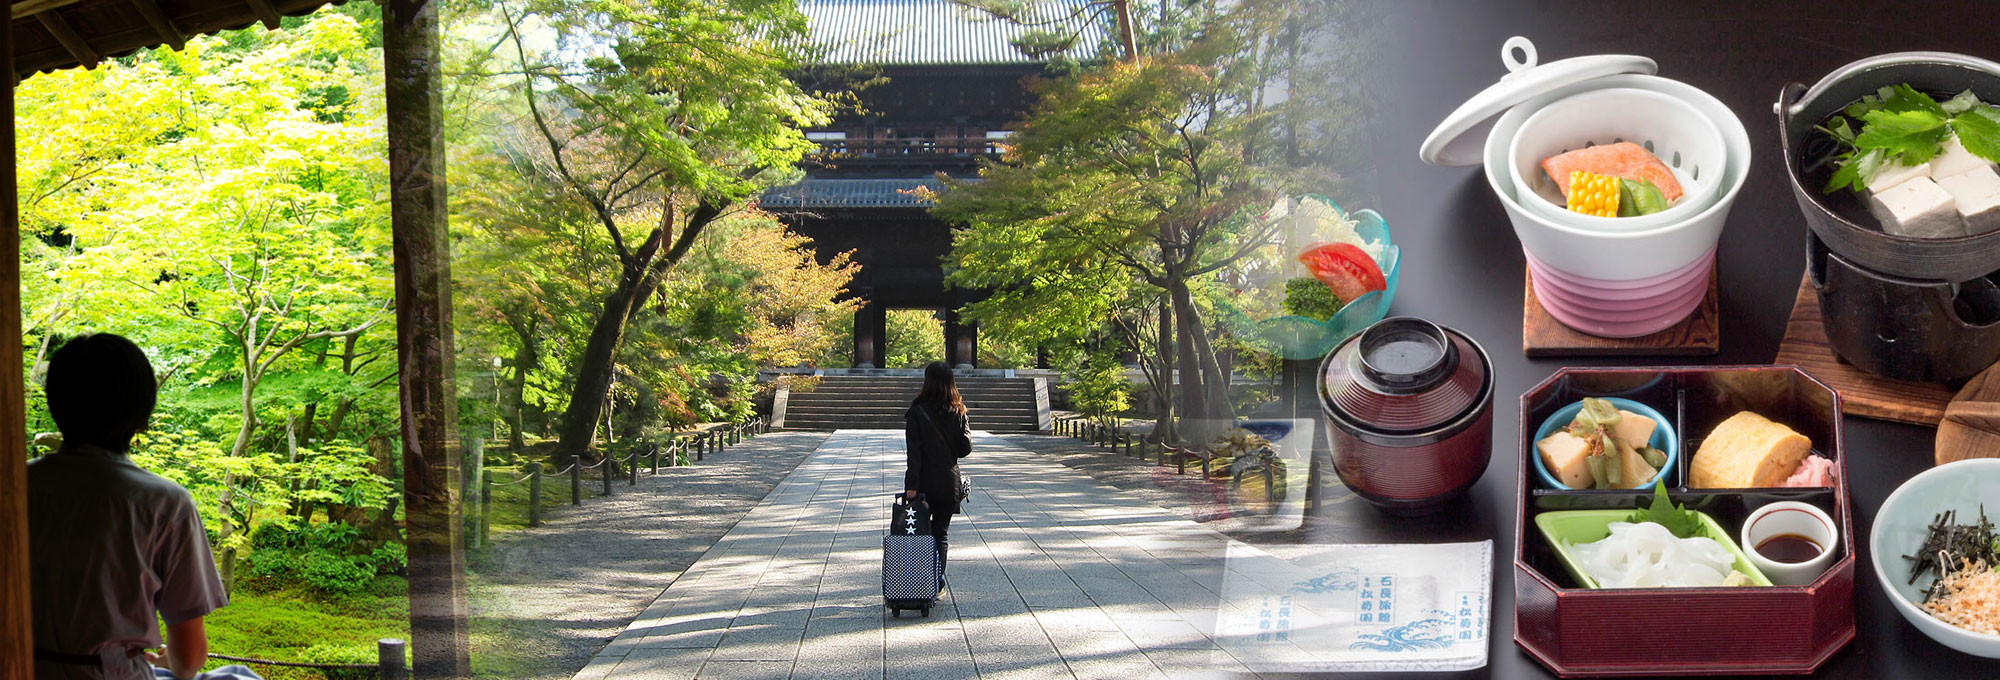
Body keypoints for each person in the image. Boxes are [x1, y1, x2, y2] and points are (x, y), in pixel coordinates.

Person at [27, 334, 246, 680]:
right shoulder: (163, 503)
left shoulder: (14, 487)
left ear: (56, 404)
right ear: (142, 414)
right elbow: (189, 659)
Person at [902, 361, 973, 587]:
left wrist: (911, 487)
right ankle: (936, 581)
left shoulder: (916, 411)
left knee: (920, 532)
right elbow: (964, 450)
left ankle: (917, 579)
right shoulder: (958, 411)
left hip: (922, 483)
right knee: (940, 533)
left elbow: (914, 453)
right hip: (947, 482)